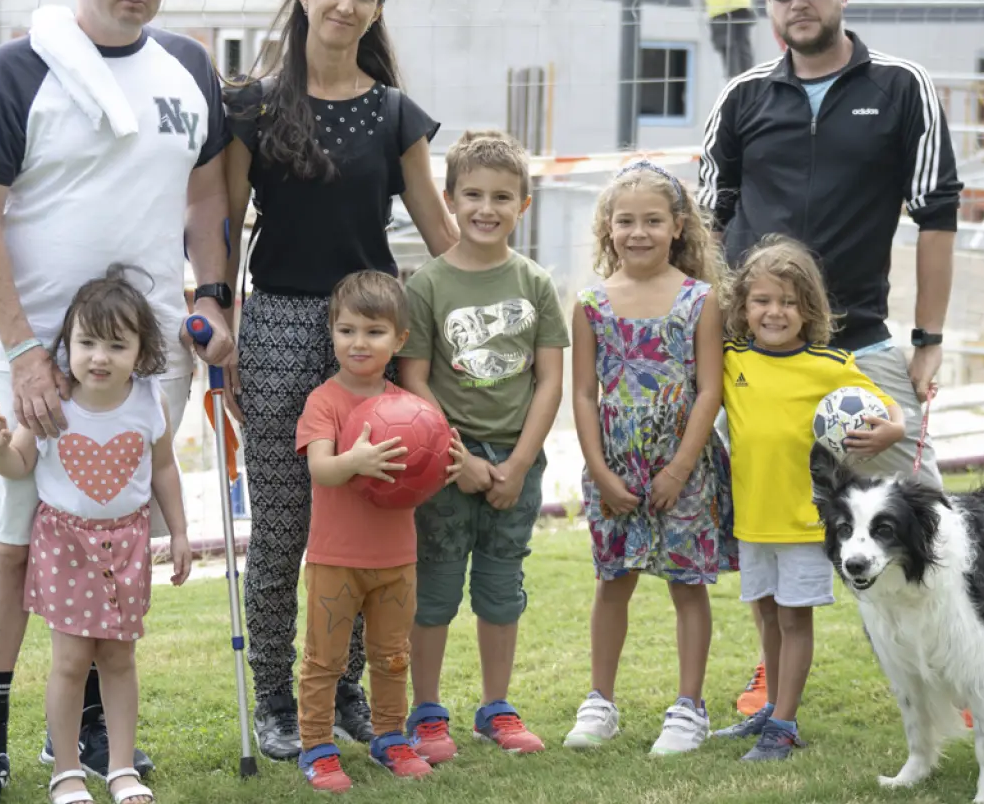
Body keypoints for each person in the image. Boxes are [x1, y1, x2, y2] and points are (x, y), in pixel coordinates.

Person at [0, 0, 235, 804]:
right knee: (13, 534)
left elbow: (206, 197)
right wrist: (29, 353)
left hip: (146, 360)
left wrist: (216, 296)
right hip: (34, 354)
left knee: (119, 525)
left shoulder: (189, 65)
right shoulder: (18, 69)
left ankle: (93, 733)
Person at [697, 0, 961, 716]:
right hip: (758, 361)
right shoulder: (742, 98)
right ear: (768, 5)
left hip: (862, 351)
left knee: (927, 519)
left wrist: (929, 342)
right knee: (768, 526)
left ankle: (957, 667)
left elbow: (938, 216)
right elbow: (707, 231)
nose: (798, 0)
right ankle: (772, 676)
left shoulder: (902, 85)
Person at [223, 0, 458, 760]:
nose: (347, 5)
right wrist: (217, 313)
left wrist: (494, 301)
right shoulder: (250, 104)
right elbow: (220, 223)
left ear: (377, 9)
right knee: (287, 529)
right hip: (281, 327)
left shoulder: (394, 114)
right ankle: (281, 702)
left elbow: (439, 233)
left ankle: (349, 690)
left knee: (369, 520)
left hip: (370, 332)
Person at [0, 267, 194, 804]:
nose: (100, 356)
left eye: (117, 345)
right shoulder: (54, 401)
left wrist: (182, 533)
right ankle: (66, 771)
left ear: (141, 351)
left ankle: (121, 770)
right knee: (71, 662)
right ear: (66, 344)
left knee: (120, 660)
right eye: (87, 342)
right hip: (66, 547)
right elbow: (20, 463)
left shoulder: (150, 402)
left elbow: (164, 470)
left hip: (129, 546)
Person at [396, 129, 567, 760]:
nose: (486, 208)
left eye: (502, 196)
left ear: (523, 205)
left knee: (501, 586)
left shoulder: (536, 284)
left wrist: (517, 464)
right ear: (449, 200)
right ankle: (428, 711)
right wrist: (458, 459)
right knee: (436, 586)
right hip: (446, 463)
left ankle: (496, 706)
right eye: (472, 195)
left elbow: (549, 379)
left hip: (515, 460)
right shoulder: (427, 285)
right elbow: (415, 379)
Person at [708, 236, 905, 760]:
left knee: (795, 620)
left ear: (809, 309)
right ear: (743, 308)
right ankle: (772, 707)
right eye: (763, 301)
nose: (776, 312)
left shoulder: (828, 366)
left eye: (790, 302)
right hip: (752, 520)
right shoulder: (730, 360)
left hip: (804, 524)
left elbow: (889, 410)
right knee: (766, 616)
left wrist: (892, 429)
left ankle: (786, 724)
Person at [562, 160, 728, 756]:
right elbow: (582, 393)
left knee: (687, 585)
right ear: (608, 227)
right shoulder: (591, 303)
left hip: (682, 468)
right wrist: (601, 471)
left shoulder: (700, 300)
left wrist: (681, 467)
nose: (639, 232)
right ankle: (599, 702)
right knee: (613, 581)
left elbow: (710, 388)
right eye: (626, 220)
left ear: (677, 226)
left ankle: (689, 709)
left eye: (653, 220)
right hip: (616, 467)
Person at [291, 271, 467, 792]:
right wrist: (356, 459)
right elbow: (321, 470)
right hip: (334, 557)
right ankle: (318, 747)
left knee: (392, 656)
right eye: (346, 330)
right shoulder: (324, 400)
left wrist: (446, 466)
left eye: (373, 331)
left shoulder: (412, 409)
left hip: (396, 559)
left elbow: (422, 477)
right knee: (325, 660)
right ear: (332, 333)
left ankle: (390, 736)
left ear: (399, 340)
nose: (359, 343)